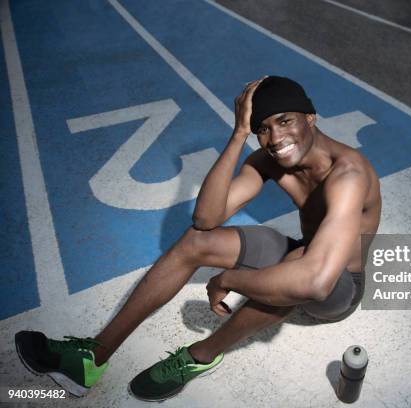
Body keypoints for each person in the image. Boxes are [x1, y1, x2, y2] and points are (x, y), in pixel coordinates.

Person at [15, 76, 382, 401]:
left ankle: (200, 356)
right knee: (195, 242)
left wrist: (228, 279)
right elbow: (205, 218)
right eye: (263, 128)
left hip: (340, 287)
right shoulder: (268, 158)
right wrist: (238, 135)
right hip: (308, 255)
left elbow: (315, 283)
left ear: (311, 117)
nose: (275, 138)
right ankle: (93, 357)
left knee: (294, 268)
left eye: (285, 121)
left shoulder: (348, 174)